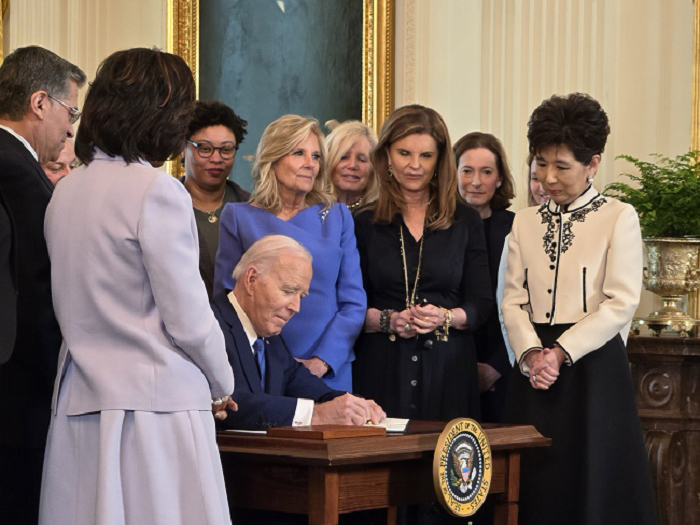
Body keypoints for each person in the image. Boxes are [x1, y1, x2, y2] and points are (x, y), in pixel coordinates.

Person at [39, 48, 236, 525]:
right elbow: (188, 319)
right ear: (164, 115)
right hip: (153, 412)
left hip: (80, 403)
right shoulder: (157, 190)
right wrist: (222, 383)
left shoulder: (66, 190)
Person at [501, 93, 657, 524]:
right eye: (541, 163)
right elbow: (511, 299)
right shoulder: (523, 221)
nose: (549, 177)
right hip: (533, 370)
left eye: (562, 166)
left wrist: (561, 352)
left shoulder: (619, 216)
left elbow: (621, 301)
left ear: (593, 164)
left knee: (594, 483)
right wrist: (532, 354)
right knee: (533, 485)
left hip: (592, 368)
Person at [352, 104, 493, 423]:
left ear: (440, 160)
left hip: (449, 370)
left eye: (426, 156)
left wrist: (444, 317)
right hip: (382, 369)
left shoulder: (465, 220)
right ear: (387, 154)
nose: (414, 165)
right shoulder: (363, 221)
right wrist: (388, 320)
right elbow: (348, 305)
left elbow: (481, 303)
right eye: (404, 153)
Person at [214, 115, 366, 392]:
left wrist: (322, 362)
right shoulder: (238, 217)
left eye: (317, 156)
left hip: (329, 368)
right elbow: (228, 301)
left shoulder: (338, 217)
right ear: (273, 157)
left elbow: (354, 303)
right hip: (259, 366)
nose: (311, 164)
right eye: (299, 153)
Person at [0, 45, 86, 525]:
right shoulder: (20, 173)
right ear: (39, 103)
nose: (71, 127)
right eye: (70, 111)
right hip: (16, 396)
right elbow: (38, 290)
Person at [212, 234, 385, 430]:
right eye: (288, 291)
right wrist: (316, 414)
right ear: (252, 280)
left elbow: (308, 387)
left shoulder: (272, 341)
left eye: (301, 296)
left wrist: (355, 405)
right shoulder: (210, 327)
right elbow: (228, 403)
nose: (296, 307)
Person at [453, 131, 515, 423]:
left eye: (486, 172)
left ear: (499, 178)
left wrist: (497, 366)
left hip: (505, 366)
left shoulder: (517, 229)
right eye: (467, 171)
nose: (476, 182)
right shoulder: (437, 226)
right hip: (448, 362)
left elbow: (527, 303)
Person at [182, 101, 250, 298]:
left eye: (226, 149)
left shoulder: (252, 208)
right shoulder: (163, 207)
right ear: (182, 147)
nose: (217, 158)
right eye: (204, 148)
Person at [496, 153, 550, 365]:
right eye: (536, 178)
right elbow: (506, 304)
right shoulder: (517, 232)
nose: (544, 186)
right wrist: (523, 359)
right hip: (529, 357)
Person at [326, 120, 379, 212]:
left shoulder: (381, 214)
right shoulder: (309, 209)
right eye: (344, 157)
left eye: (362, 159)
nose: (352, 165)